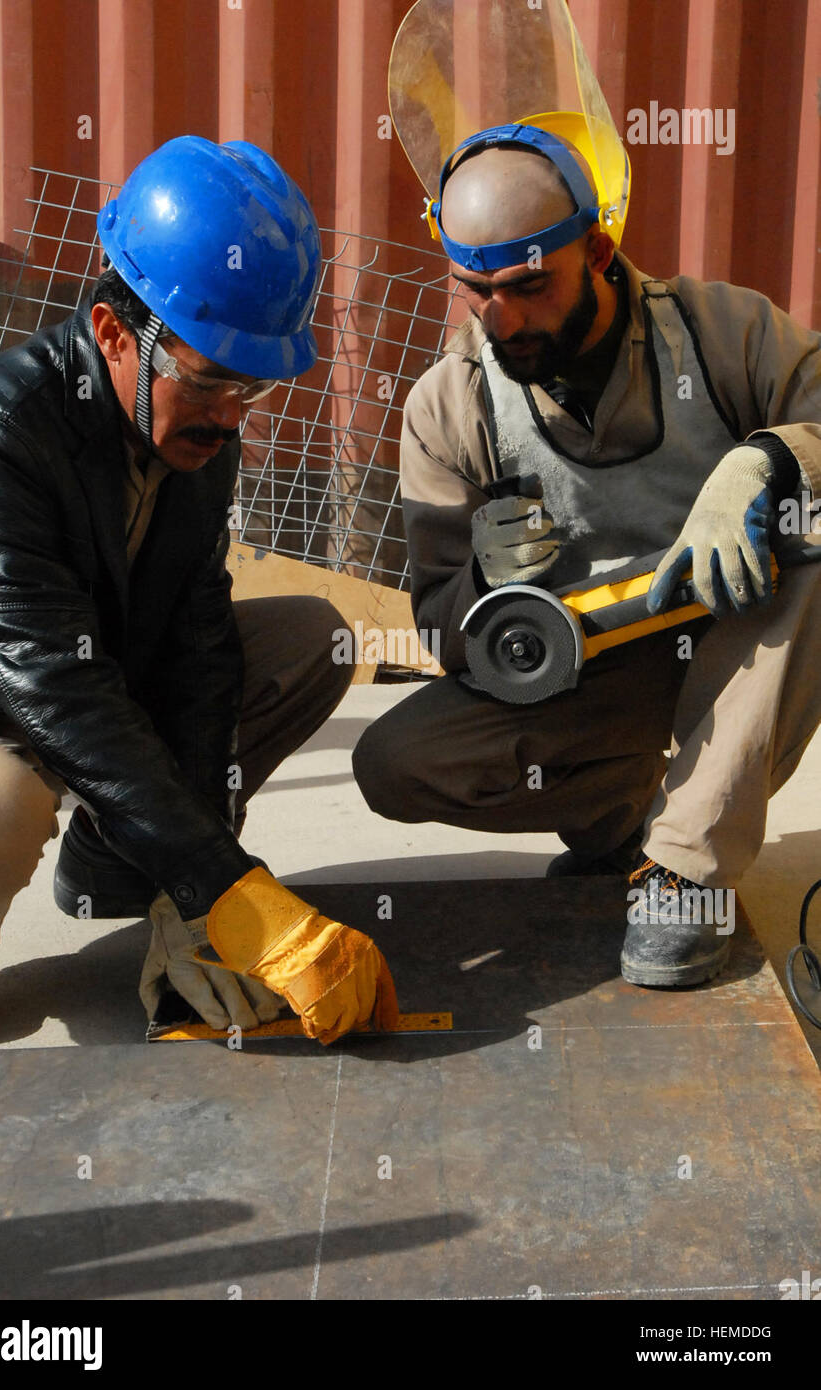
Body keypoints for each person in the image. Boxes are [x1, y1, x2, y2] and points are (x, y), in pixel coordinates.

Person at [0, 134, 397, 1049]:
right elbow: (55, 689)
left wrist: (192, 897)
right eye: (213, 380)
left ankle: (119, 863)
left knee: (306, 639)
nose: (234, 417)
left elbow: (197, 651)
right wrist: (223, 885)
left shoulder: (196, 433)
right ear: (116, 331)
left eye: (256, 387)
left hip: (82, 682)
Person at [352, 122, 821, 989]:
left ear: (598, 249)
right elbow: (441, 627)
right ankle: (621, 828)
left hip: (739, 652)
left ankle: (687, 868)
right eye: (473, 290)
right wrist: (481, 581)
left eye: (529, 286)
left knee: (818, 534)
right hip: (594, 672)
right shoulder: (451, 406)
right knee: (397, 765)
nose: (502, 319)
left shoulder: (721, 334)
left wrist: (769, 458)